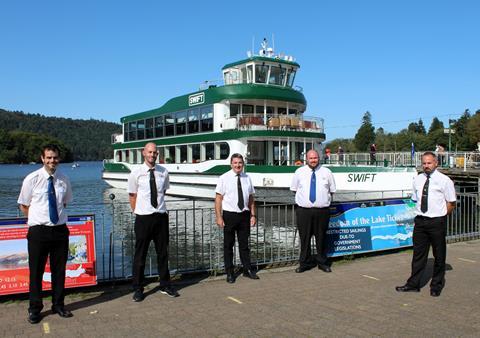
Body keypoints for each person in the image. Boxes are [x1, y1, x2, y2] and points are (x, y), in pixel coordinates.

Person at [18, 144, 73, 324]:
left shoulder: (64, 179)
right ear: (42, 158)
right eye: (48, 157)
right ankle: (35, 309)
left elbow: (64, 203)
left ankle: (58, 304)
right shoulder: (31, 179)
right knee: (36, 272)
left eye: (55, 157)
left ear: (59, 159)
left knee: (59, 271)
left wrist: (53, 220)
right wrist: (37, 219)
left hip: (59, 231)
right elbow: (24, 205)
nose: (52, 161)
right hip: (38, 231)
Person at [396, 151, 456, 297]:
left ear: (436, 163)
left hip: (436, 221)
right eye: (424, 163)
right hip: (420, 221)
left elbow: (452, 203)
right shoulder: (417, 179)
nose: (426, 166)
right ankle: (413, 284)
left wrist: (440, 217)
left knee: (439, 255)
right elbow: (416, 199)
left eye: (429, 163)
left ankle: (436, 285)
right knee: (418, 255)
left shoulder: (444, 180)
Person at [128, 142, 179, 302]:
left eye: (155, 152)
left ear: (158, 154)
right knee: (140, 255)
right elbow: (132, 195)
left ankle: (165, 284)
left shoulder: (164, 172)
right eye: (149, 152)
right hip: (143, 218)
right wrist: (139, 212)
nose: (152, 155)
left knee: (163, 253)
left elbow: (163, 191)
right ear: (144, 153)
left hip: (160, 217)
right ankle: (138, 288)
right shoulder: (136, 173)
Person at [215, 153, 259, 283]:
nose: (238, 165)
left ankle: (247, 269)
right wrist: (219, 217)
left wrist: (253, 214)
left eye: (240, 163)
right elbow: (218, 199)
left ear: (243, 164)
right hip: (229, 215)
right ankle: (229, 272)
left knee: (244, 245)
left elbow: (251, 198)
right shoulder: (224, 178)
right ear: (231, 164)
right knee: (228, 245)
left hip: (244, 215)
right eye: (235, 163)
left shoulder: (247, 178)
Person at [290, 149, 336, 273]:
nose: (313, 160)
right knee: (304, 238)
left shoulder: (327, 172)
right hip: (304, 211)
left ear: (318, 158)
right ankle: (305, 263)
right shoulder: (299, 172)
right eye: (311, 158)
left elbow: (332, 191)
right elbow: (294, 189)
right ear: (307, 159)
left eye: (315, 158)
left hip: (322, 211)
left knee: (321, 238)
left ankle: (322, 263)